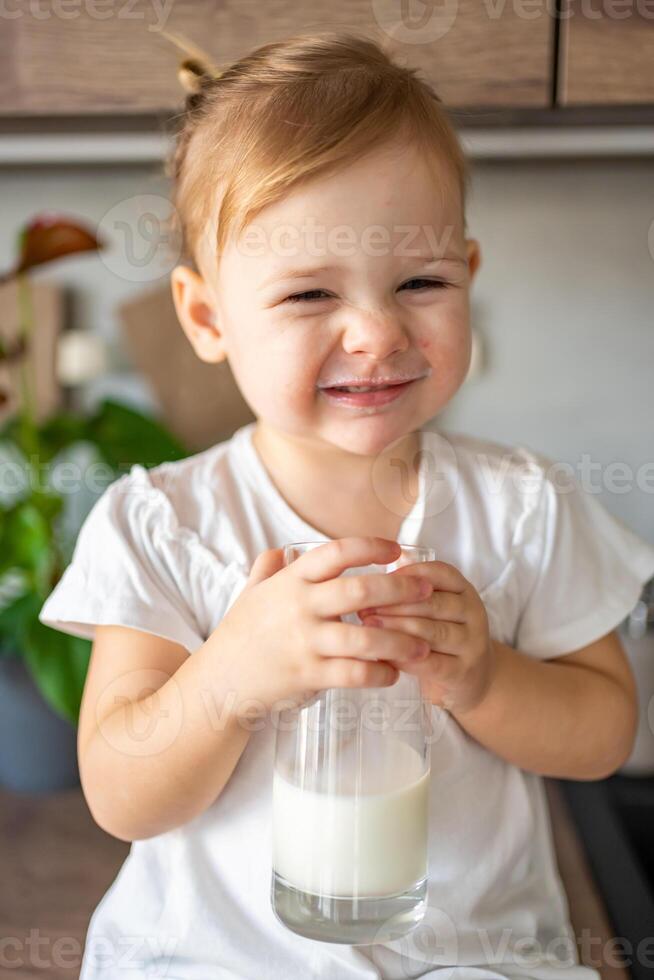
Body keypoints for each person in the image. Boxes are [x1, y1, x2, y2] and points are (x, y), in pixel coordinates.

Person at [39, 29, 654, 980]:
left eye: (421, 281)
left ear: (469, 274)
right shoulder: (162, 523)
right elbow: (122, 791)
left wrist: (486, 677)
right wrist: (231, 676)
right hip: (213, 963)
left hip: (468, 961)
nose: (375, 331)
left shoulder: (523, 507)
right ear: (207, 318)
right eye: (309, 293)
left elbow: (605, 731)